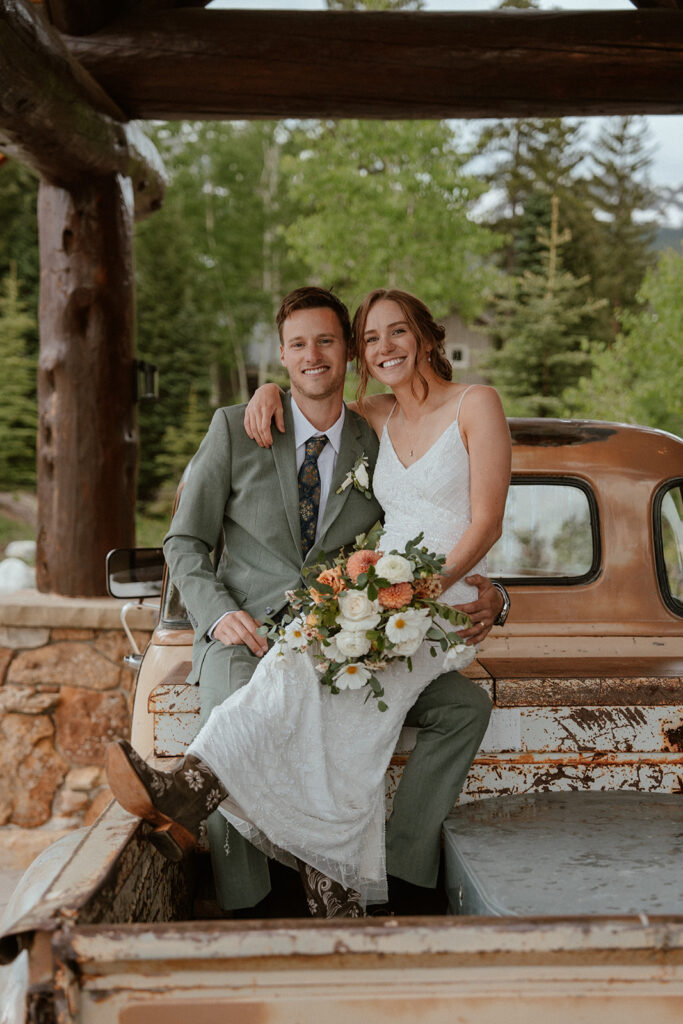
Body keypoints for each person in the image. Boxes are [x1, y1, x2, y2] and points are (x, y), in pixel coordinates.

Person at [106, 286, 510, 918]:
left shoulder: (373, 431)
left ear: (351, 353)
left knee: (429, 711)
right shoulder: (239, 428)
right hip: (247, 626)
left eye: (329, 342)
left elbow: (461, 512)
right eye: (298, 345)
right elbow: (183, 540)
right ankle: (251, 909)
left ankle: (379, 882)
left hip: (362, 617)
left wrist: (491, 593)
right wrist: (217, 612)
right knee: (249, 702)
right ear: (284, 355)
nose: (315, 355)